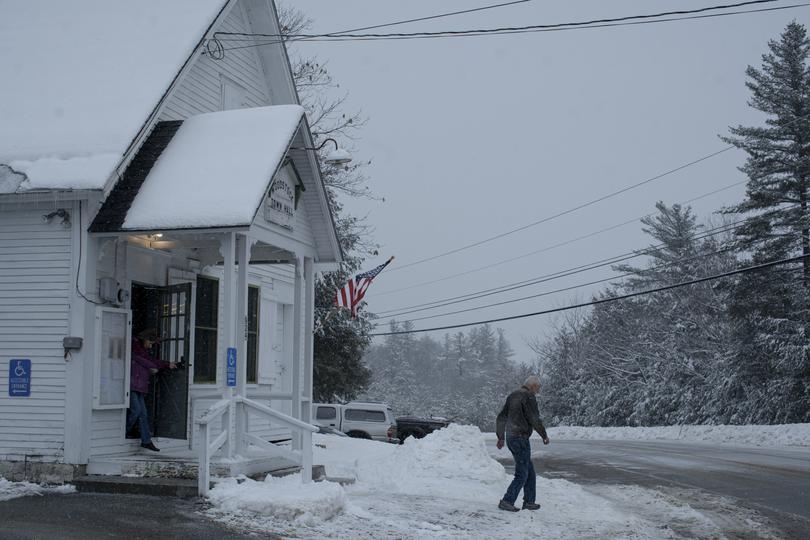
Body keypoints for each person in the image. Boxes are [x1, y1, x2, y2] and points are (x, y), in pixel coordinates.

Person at [495, 375, 550, 512]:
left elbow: (501, 417)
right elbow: (534, 419)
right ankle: (507, 500)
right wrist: (544, 435)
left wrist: (501, 437)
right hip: (520, 438)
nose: (538, 391)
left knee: (529, 471)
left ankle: (529, 501)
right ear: (532, 386)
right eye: (537, 388)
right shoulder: (529, 397)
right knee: (523, 473)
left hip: (511, 437)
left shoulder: (513, 395)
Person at [127, 328, 175, 452]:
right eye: (150, 343)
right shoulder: (135, 347)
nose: (150, 346)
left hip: (138, 385)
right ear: (145, 339)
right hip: (132, 384)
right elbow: (146, 361)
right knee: (137, 411)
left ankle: (146, 440)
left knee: (143, 414)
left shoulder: (141, 348)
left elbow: (148, 361)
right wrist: (160, 365)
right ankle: (124, 431)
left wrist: (165, 364)